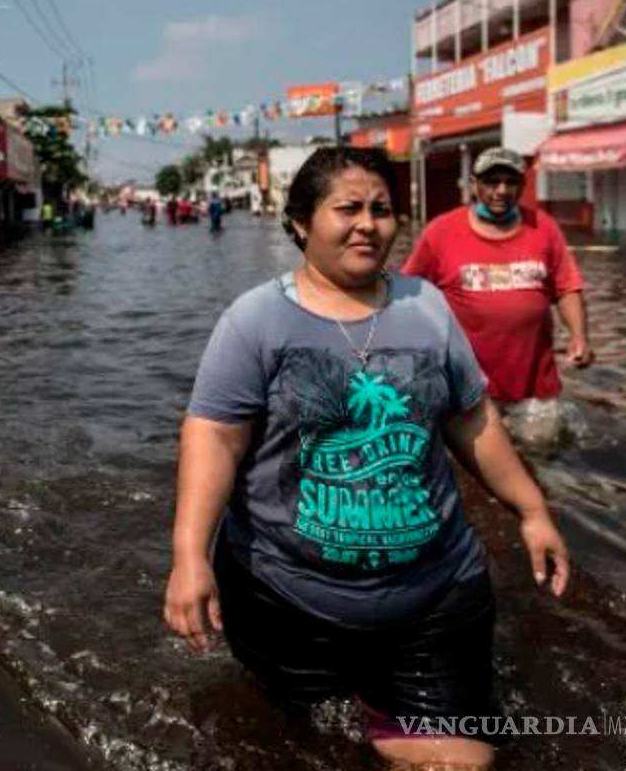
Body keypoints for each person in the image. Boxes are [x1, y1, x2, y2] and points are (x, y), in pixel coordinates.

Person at [164, 146, 569, 770]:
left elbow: (471, 418)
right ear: (300, 222)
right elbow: (214, 436)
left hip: (437, 593)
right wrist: (190, 556)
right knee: (305, 745)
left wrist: (531, 509)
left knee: (461, 763)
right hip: (285, 598)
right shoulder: (255, 321)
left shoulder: (426, 307)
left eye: (380, 209)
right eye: (346, 208)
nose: (368, 224)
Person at [403, 148, 593, 443]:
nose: (501, 190)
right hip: (465, 390)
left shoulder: (544, 228)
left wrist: (579, 337)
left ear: (522, 186)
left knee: (537, 466)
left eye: (510, 182)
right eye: (492, 181)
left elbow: (567, 287)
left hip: (534, 390)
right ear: (474, 184)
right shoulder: (441, 232)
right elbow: (407, 293)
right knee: (470, 475)